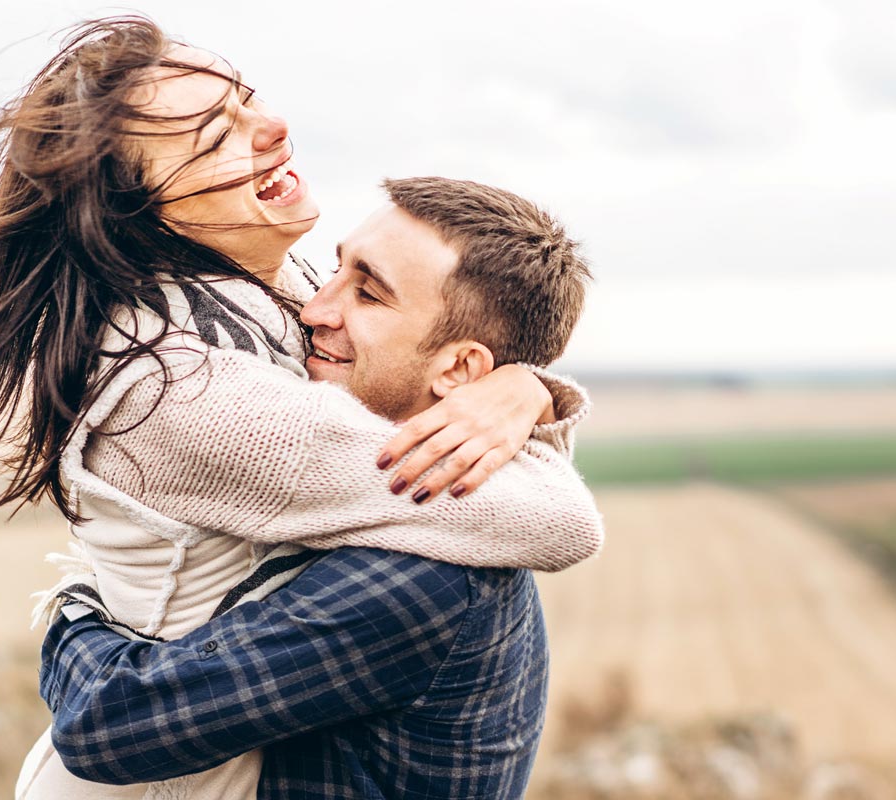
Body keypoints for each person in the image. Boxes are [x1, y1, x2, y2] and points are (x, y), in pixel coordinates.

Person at [0, 16, 601, 799]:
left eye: (245, 98)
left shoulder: (261, 289)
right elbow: (556, 520)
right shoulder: (183, 389)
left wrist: (523, 387)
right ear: (143, 209)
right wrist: (526, 394)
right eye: (216, 133)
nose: (273, 125)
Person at [41, 176, 590, 799]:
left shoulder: (423, 572)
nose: (316, 309)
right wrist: (530, 388)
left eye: (369, 295)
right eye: (336, 271)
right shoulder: (408, 516)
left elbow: (108, 728)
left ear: (460, 369)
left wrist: (80, 605)